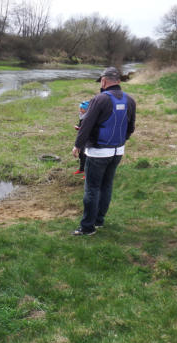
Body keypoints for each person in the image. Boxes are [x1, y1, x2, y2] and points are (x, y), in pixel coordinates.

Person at [72, 67, 136, 236]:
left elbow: (86, 125)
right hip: (117, 152)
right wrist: (120, 142)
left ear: (104, 81)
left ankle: (87, 227)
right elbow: (130, 128)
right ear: (119, 82)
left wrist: (78, 144)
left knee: (92, 189)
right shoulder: (130, 100)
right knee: (106, 186)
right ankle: (99, 221)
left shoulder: (99, 99)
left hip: (98, 152)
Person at [74, 100, 90, 178]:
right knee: (80, 154)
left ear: (87, 109)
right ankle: (81, 169)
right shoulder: (81, 115)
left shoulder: (89, 117)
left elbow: (88, 129)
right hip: (82, 137)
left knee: (85, 155)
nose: (80, 110)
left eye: (82, 108)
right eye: (80, 108)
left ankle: (87, 173)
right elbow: (81, 125)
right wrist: (78, 126)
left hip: (87, 139)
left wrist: (80, 128)